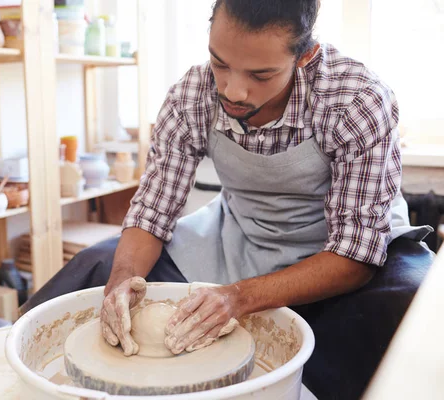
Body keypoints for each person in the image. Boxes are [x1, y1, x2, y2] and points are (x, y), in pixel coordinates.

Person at [22, 1, 434, 398]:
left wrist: (238, 297)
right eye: (220, 63)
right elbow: (151, 214)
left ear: (305, 56)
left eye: (260, 74)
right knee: (97, 267)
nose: (233, 90)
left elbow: (355, 254)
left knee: (412, 311)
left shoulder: (354, 99)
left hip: (346, 256)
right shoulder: (192, 95)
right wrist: (122, 281)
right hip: (241, 237)